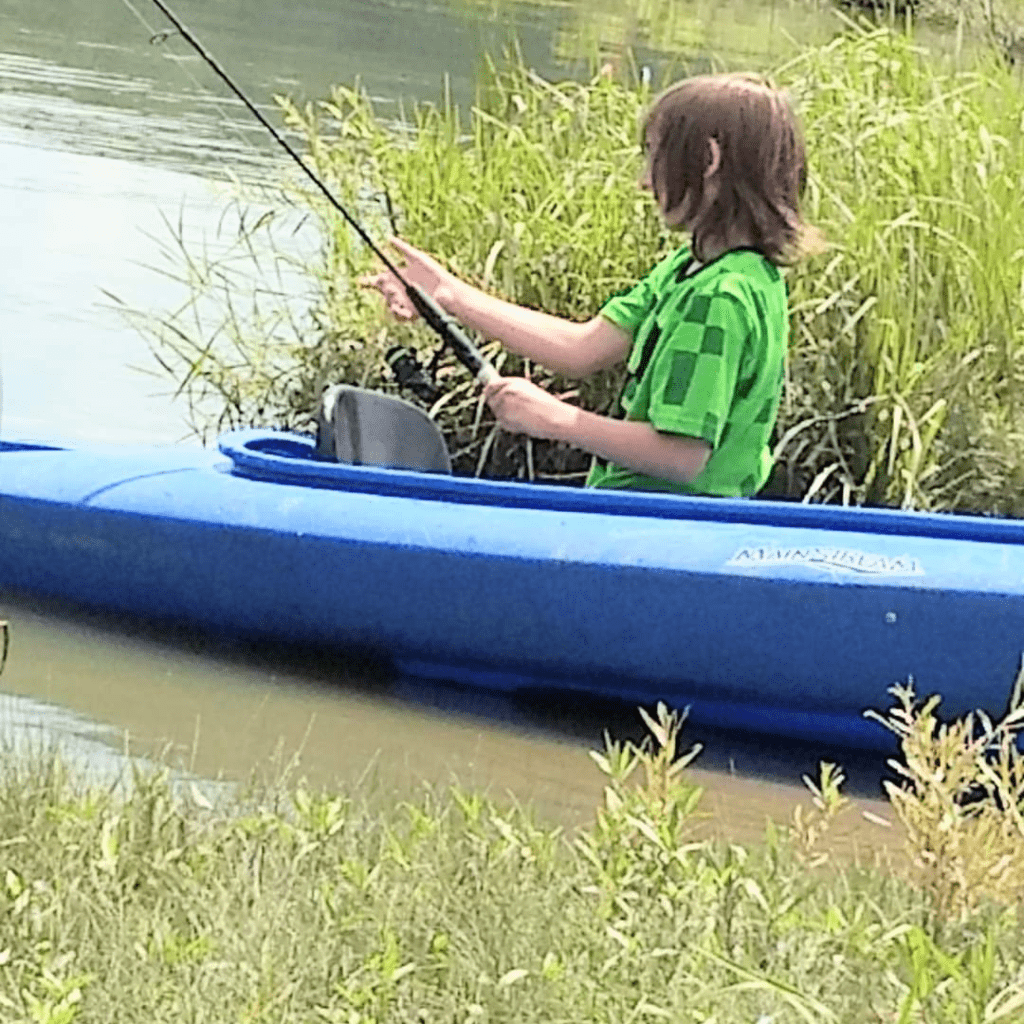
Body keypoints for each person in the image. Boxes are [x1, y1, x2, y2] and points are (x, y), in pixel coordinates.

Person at [360, 72, 822, 497]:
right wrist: (450, 295)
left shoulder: (719, 298)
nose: (644, 182)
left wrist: (557, 420)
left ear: (707, 160)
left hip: (660, 531)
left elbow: (681, 457)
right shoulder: (703, 268)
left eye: (655, 159)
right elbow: (582, 347)